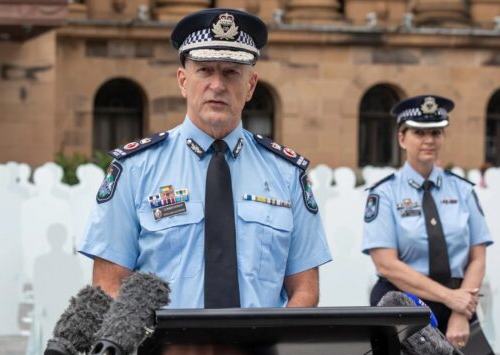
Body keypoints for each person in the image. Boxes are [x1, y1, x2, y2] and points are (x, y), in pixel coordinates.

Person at [78, 8, 332, 310]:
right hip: (163, 352)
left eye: (231, 72)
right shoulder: (135, 169)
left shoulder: (286, 174)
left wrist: (273, 346)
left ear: (250, 86)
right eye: (205, 70)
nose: (218, 85)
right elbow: (109, 284)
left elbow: (305, 289)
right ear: (183, 81)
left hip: (260, 352)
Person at [362, 95, 493, 355]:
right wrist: (450, 298)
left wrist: (460, 311)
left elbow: (478, 256)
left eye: (435, 132)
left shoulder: (463, 190)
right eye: (419, 132)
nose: (428, 140)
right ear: (402, 138)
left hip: (460, 302)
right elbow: (386, 264)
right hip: (403, 305)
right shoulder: (384, 194)